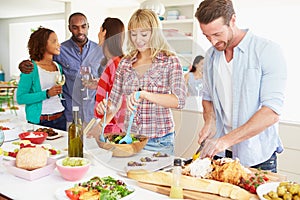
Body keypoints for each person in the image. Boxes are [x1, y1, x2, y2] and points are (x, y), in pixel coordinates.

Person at [194, 0, 287, 172]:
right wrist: (210, 121)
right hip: (221, 154)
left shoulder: (267, 51)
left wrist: (225, 140)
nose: (213, 42)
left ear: (233, 20)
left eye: (217, 34)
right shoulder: (211, 57)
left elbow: (271, 113)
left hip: (258, 157)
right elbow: (207, 98)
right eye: (207, 36)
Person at [93, 9, 186, 155]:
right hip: (130, 140)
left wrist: (144, 94)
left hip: (159, 142)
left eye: (144, 34)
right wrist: (104, 109)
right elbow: (114, 103)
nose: (138, 39)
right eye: (133, 34)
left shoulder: (169, 60)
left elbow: (179, 101)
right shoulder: (125, 63)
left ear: (154, 33)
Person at [18, 12, 104, 129]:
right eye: (75, 27)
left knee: (89, 147)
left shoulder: (99, 50)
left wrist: (97, 83)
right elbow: (40, 61)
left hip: (91, 114)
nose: (80, 31)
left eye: (83, 26)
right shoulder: (60, 50)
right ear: (69, 28)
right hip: (69, 114)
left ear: (88, 26)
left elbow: (107, 79)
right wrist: (23, 65)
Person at [17, 27, 66, 130]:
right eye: (54, 41)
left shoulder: (58, 66)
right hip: (40, 121)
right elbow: (21, 98)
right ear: (43, 44)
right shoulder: (31, 68)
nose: (58, 44)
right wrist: (47, 94)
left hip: (60, 118)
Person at [86, 17, 126, 134]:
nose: (98, 34)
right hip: (111, 126)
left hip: (113, 128)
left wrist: (98, 128)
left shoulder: (115, 63)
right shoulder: (113, 62)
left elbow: (117, 102)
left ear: (104, 33)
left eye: (100, 30)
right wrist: (100, 84)